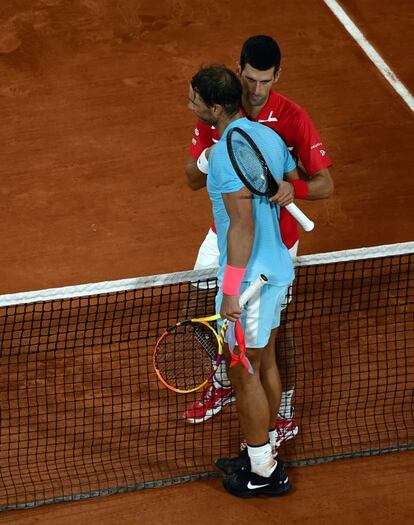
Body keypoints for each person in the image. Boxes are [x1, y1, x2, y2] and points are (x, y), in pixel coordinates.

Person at [184, 35, 333, 450]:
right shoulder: (220, 104)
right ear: (240, 69)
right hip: (225, 234)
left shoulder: (291, 117)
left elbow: (324, 184)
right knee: (200, 308)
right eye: (250, 79)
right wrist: (206, 157)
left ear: (277, 77)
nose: (256, 90)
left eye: (265, 82)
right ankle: (224, 379)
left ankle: (281, 412)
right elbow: (192, 179)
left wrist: (293, 189)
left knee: (272, 337)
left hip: (274, 243)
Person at [188, 64, 299, 497]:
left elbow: (241, 224)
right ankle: (263, 452)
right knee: (265, 361)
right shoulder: (268, 137)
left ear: (215, 108)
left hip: (249, 279)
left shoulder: (221, 155)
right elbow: (287, 186)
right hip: (276, 270)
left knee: (244, 372)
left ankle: (265, 473)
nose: (189, 105)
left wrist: (231, 289)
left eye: (194, 99)